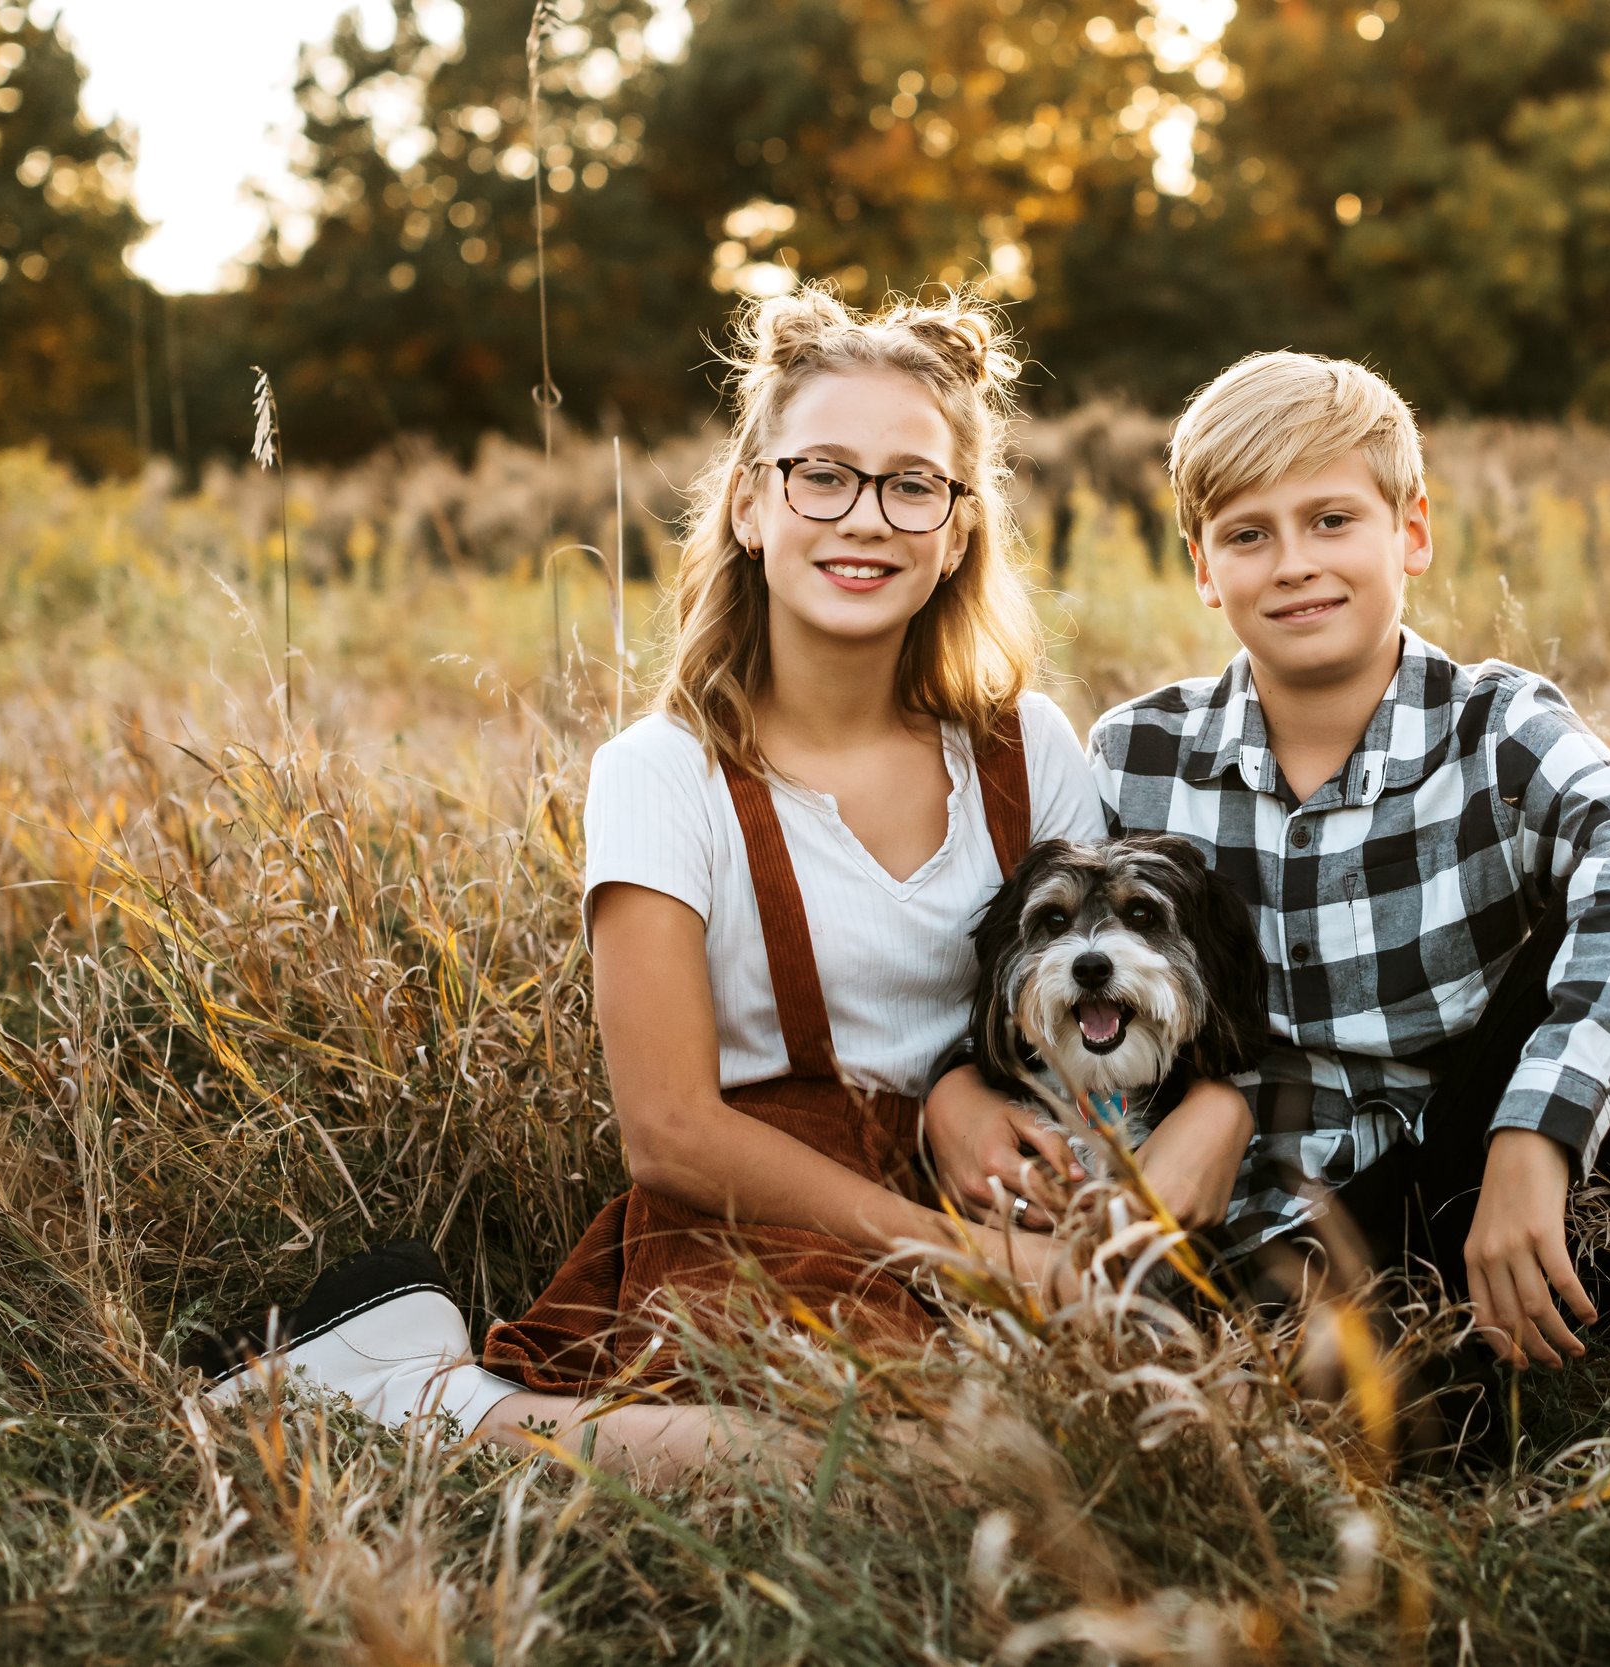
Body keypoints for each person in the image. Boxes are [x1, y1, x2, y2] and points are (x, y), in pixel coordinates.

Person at [196, 289, 1253, 1483]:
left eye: (914, 484)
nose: (867, 518)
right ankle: (435, 1399)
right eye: (823, 476)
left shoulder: (1027, 752)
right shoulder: (665, 776)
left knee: (1131, 1447)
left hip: (1002, 1195)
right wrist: (967, 1261)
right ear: (752, 502)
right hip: (768, 1215)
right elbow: (672, 1131)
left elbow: (1072, 995)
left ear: (958, 530)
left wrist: (972, 1092)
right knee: (947, 1470)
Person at [1083, 352, 1610, 1402]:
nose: (1295, 562)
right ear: (1204, 566)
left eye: (1333, 520)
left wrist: (1537, 1128)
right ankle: (1325, 1390)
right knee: (1225, 1378)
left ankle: (1495, 1362)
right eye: (1248, 534)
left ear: (1412, 529)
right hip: (1235, 1228)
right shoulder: (1137, 757)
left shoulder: (1493, 727)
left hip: (1467, 1190)